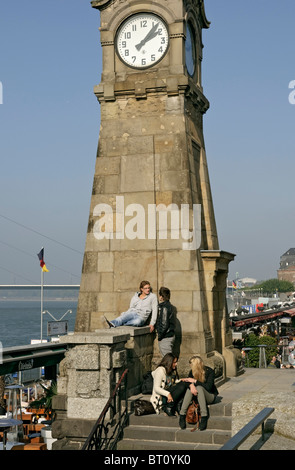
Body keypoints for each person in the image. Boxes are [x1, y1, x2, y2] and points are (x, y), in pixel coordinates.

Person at [178, 355, 218, 431]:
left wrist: (195, 381)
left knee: (199, 388)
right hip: (197, 395)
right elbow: (187, 381)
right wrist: (191, 385)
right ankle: (182, 414)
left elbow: (209, 387)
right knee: (190, 388)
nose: (190, 367)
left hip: (210, 396)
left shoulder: (210, 371)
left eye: (191, 365)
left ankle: (204, 416)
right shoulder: (192, 372)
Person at [156, 287, 175, 357]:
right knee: (168, 359)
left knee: (168, 360)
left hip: (166, 337)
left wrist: (160, 336)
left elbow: (164, 324)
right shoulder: (169, 306)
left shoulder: (165, 307)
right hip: (169, 336)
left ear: (161, 296)